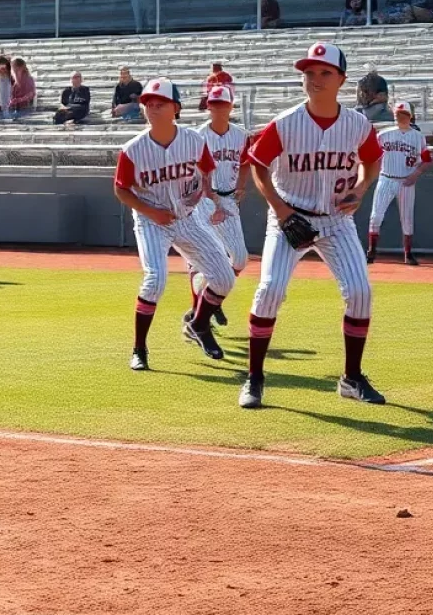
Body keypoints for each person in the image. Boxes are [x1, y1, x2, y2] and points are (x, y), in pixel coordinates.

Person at [241, 42, 384, 410]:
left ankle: (352, 378)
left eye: (324, 73)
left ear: (342, 80)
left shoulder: (357, 124)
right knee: (269, 289)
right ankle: (254, 378)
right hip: (291, 217)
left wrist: (362, 187)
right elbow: (258, 164)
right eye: (309, 73)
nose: (315, 79)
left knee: (360, 292)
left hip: (336, 221)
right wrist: (281, 210)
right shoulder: (286, 123)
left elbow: (372, 161)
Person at [113, 79, 236, 370]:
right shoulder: (133, 149)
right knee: (155, 279)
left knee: (224, 278)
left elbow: (206, 171)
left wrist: (205, 191)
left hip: (186, 218)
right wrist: (150, 212)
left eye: (160, 104)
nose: (153, 109)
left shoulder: (193, 141)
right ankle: (139, 349)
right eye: (148, 105)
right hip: (151, 220)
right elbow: (121, 189)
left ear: (176, 109)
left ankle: (199, 325)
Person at [184, 85, 250, 333]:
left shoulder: (241, 135)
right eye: (214, 103)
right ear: (208, 105)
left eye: (223, 103)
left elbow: (246, 162)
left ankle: (213, 297)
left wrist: (242, 186)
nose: (218, 108)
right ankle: (200, 312)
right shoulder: (198, 136)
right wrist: (212, 200)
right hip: (203, 200)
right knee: (205, 258)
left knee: (240, 258)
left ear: (231, 106)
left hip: (229, 198)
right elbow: (195, 173)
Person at [367, 101, 433, 266]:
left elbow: (426, 160)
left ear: (410, 116)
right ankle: (371, 251)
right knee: (376, 216)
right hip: (386, 177)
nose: (400, 117)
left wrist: (415, 175)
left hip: (406, 181)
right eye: (398, 114)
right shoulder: (384, 134)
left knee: (407, 219)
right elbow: (371, 154)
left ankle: (408, 253)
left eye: (404, 114)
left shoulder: (418, 137)